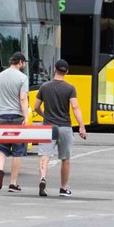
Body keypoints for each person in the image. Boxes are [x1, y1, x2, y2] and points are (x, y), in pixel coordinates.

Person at [33, 59, 87, 197]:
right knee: (65, 159)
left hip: (48, 127)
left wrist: (44, 115)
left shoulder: (44, 87)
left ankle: (43, 179)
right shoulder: (70, 88)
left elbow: (36, 107)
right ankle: (63, 188)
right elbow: (75, 107)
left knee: (45, 155)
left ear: (54, 70)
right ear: (67, 72)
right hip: (64, 127)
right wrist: (81, 126)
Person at [0, 51, 29, 192]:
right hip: (17, 117)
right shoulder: (23, 78)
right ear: (21, 62)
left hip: (2, 117)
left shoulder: (0, 76)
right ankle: (13, 183)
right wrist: (26, 117)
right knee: (18, 151)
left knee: (1, 148)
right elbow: (23, 99)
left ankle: (0, 169)